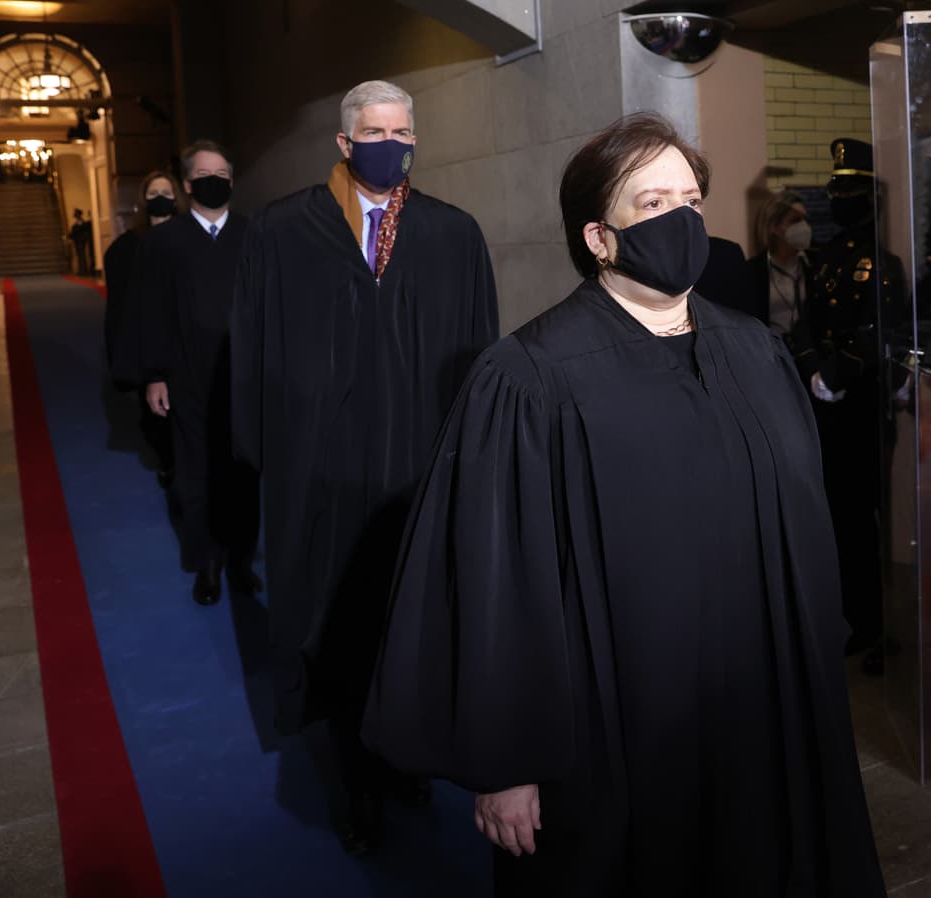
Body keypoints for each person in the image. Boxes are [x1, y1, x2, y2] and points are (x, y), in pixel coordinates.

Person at [362, 112, 884, 897]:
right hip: (624, 738)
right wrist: (506, 764)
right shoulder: (528, 378)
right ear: (599, 237)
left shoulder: (756, 350)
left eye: (690, 199)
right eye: (650, 203)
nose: (679, 217)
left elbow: (804, 525)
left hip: (765, 709)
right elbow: (498, 579)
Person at [230, 80, 498, 854]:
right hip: (322, 479)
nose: (393, 142)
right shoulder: (285, 231)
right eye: (377, 130)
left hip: (419, 475)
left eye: (404, 129)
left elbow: (479, 353)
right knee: (338, 630)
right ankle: (355, 780)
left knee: (413, 626)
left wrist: (471, 460)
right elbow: (251, 353)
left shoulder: (453, 234)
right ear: (346, 143)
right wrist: (265, 457)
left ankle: (405, 758)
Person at [790, 138, 903, 674]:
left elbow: (879, 332)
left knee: (862, 520)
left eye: (849, 190)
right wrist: (814, 368)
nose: (839, 198)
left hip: (861, 407)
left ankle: (872, 623)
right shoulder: (828, 258)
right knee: (835, 518)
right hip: (826, 404)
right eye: (837, 188)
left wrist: (838, 374)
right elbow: (805, 320)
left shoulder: (882, 263)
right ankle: (845, 618)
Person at [138, 140, 260, 606]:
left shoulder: (254, 235)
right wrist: (154, 374)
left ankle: (242, 561)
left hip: (245, 379)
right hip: (188, 380)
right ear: (188, 185)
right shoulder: (165, 243)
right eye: (207, 173)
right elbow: (151, 313)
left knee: (244, 475)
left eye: (224, 173)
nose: (217, 180)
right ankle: (206, 564)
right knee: (197, 476)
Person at [104, 171, 182, 489]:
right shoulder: (126, 248)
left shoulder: (190, 236)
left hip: (187, 340)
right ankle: (168, 463)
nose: (160, 198)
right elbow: (120, 309)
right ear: (142, 201)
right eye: (153, 193)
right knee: (156, 416)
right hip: (148, 342)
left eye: (166, 191)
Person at [739, 189, 815, 336]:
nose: (804, 227)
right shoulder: (752, 272)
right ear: (774, 226)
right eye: (795, 220)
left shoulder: (816, 265)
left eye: (805, 220)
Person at [69, 208, 94, 275]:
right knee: (80, 256)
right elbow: (72, 234)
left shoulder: (84, 224)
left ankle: (85, 270)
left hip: (83, 241)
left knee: (84, 255)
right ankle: (82, 270)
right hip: (77, 241)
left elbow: (85, 232)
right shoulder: (75, 225)